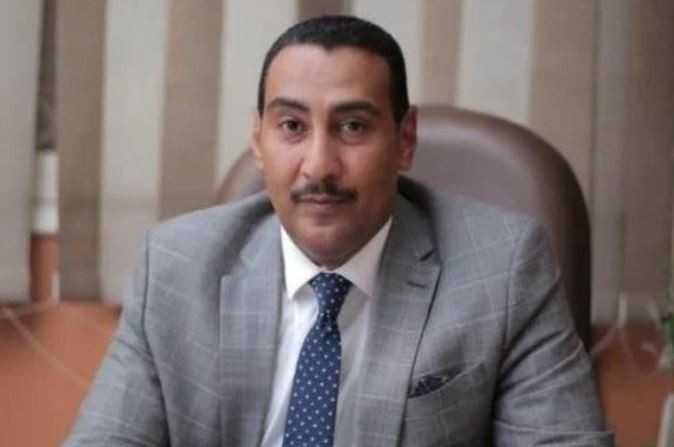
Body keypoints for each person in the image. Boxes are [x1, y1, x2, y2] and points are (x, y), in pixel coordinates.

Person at [64, 15, 611, 447]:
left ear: (405, 139)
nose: (319, 166)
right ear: (258, 139)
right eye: (292, 126)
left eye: (352, 126)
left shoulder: (503, 269)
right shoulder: (175, 266)